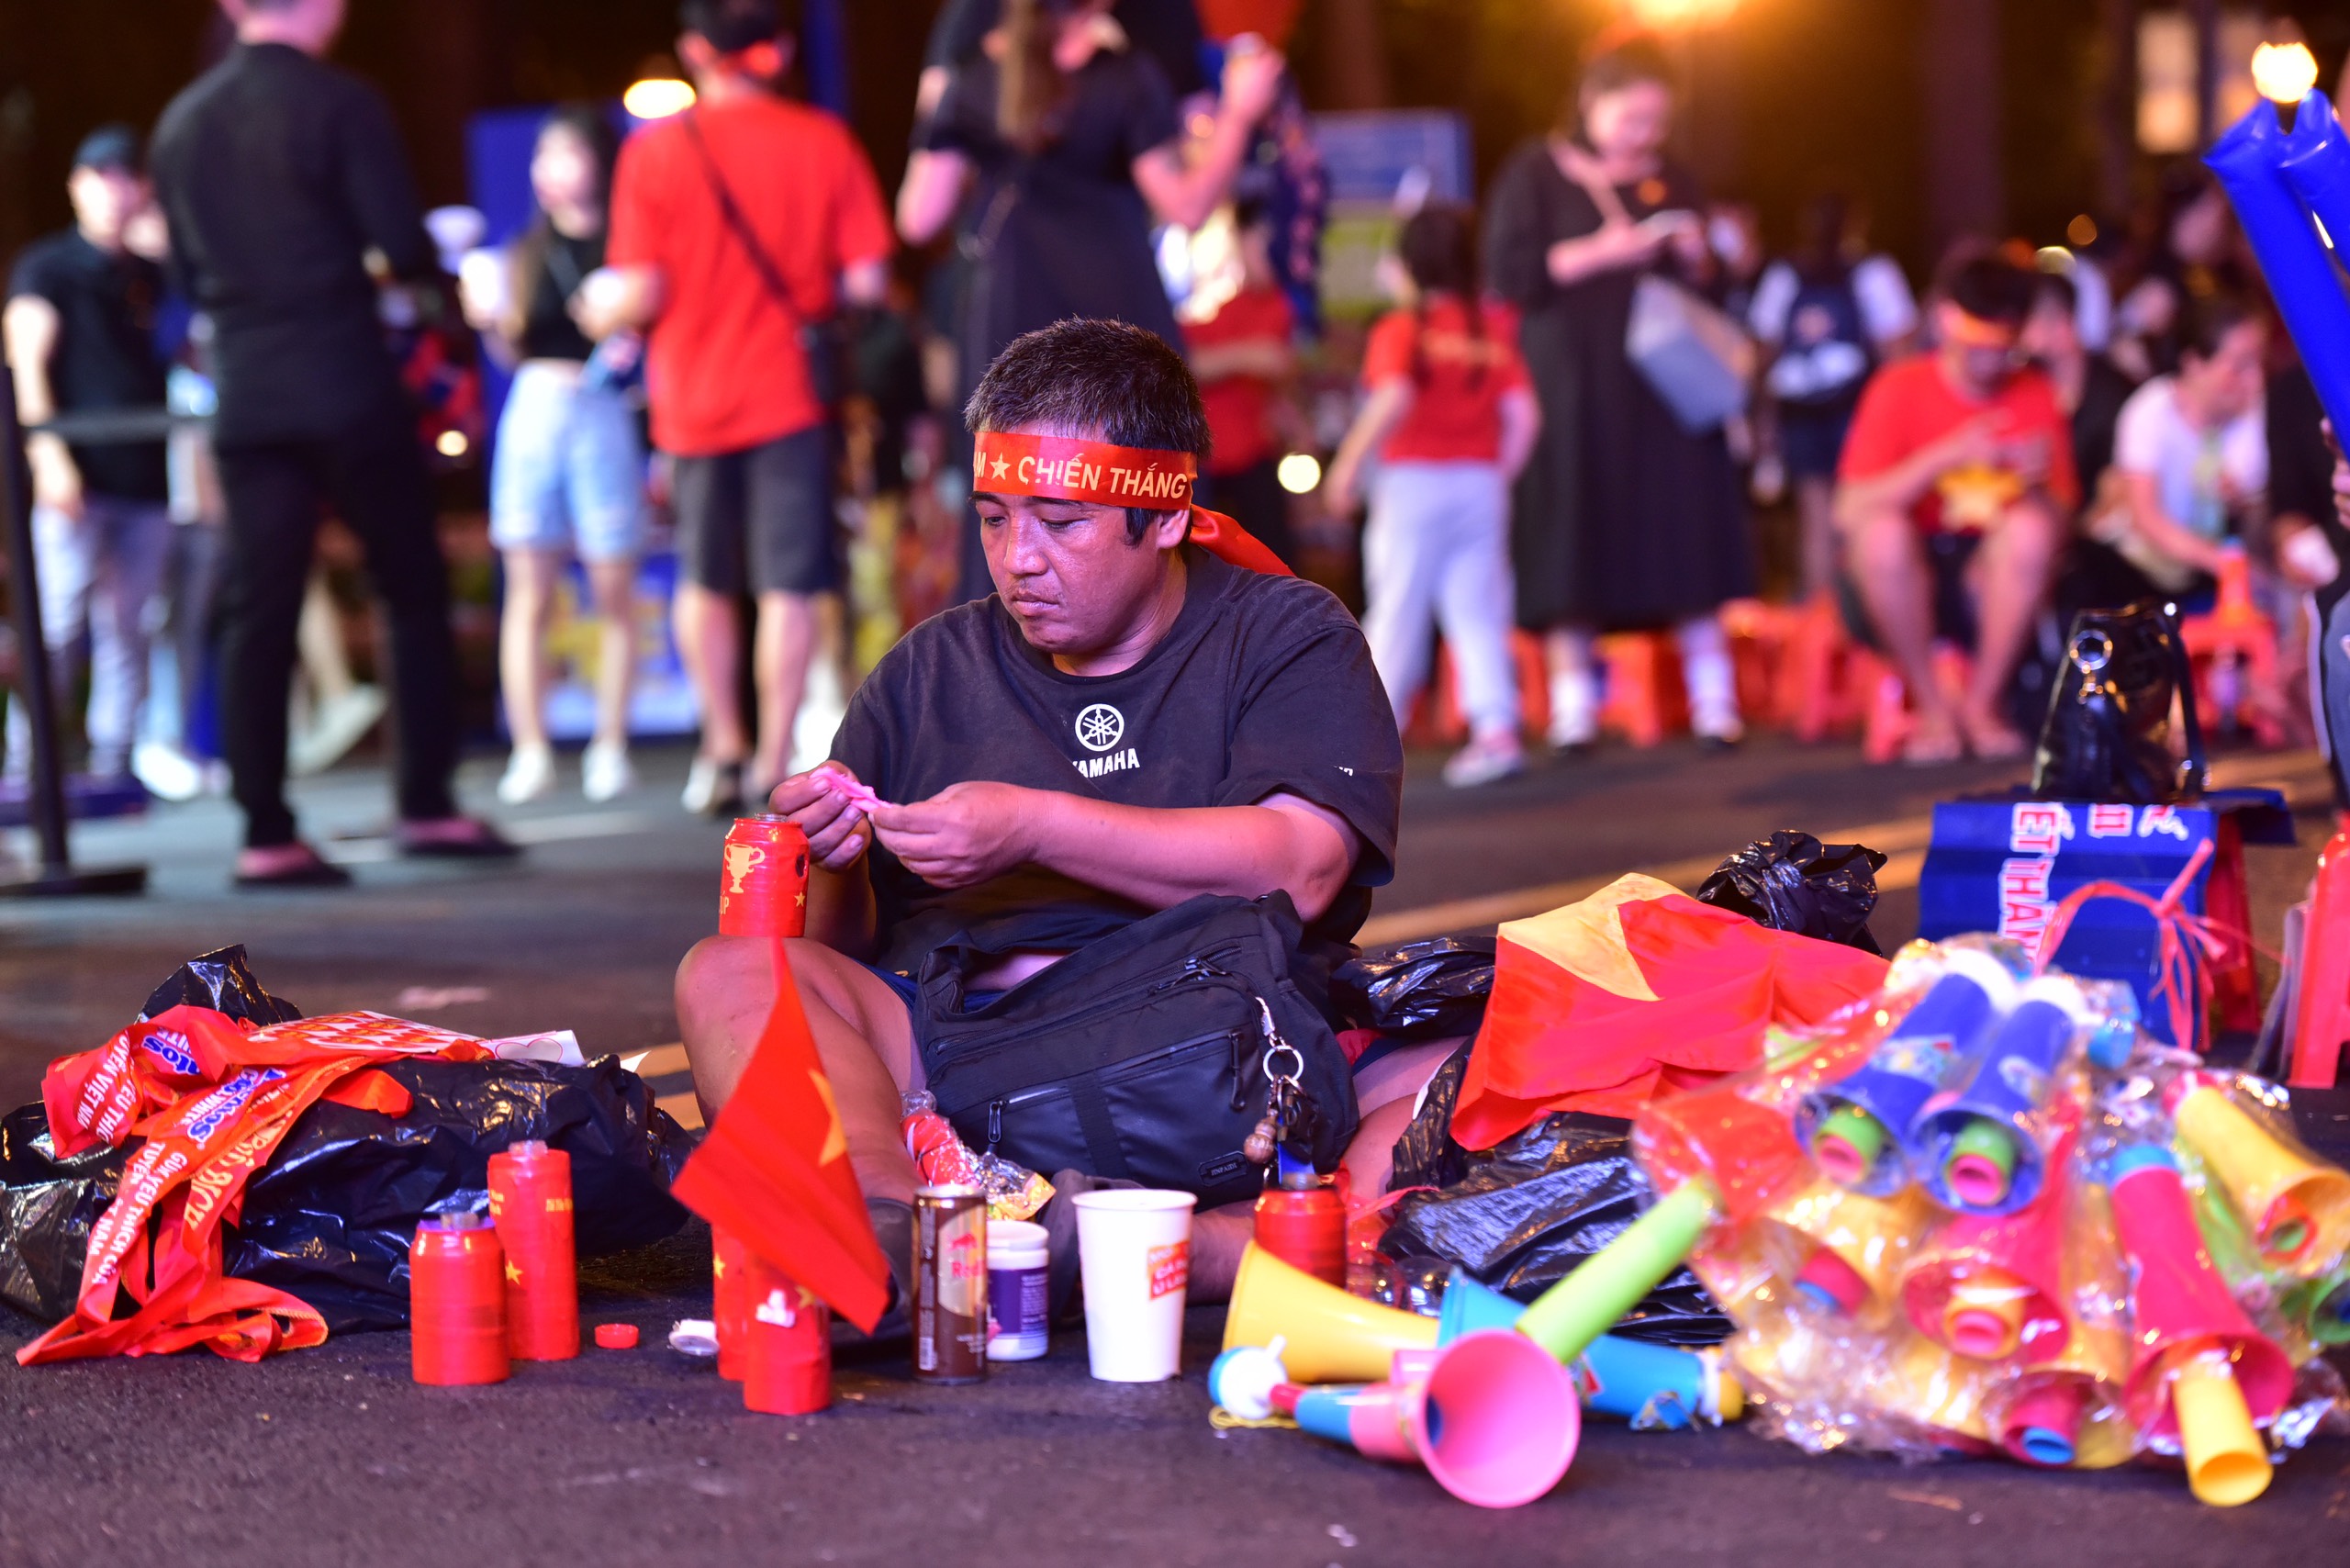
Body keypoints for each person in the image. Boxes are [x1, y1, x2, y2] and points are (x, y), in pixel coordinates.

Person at [675, 319, 1420, 1305]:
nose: (1017, 559)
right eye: (993, 519)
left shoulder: (1284, 631)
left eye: (1060, 523)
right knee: (731, 970)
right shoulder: (930, 671)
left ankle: (1202, 1251)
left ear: (1165, 516)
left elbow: (1303, 865)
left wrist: (1032, 825)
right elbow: (837, 954)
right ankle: (894, 1234)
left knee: (1482, 1045)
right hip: (966, 1053)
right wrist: (837, 860)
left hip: (1226, 1052)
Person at [151, 0, 509, 884]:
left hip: (247, 388)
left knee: (259, 606)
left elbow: (184, 272)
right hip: (344, 376)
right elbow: (400, 242)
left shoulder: (182, 122)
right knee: (409, 585)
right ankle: (425, 804)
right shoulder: (342, 102)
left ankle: (265, 832)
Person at [579, 0, 891, 818]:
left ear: (693, 50)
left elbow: (640, 290)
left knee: (705, 577)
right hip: (791, 396)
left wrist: (600, 311)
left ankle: (720, 748)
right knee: (791, 582)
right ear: (778, 49)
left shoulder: (654, 152)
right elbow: (866, 280)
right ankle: (770, 759)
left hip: (690, 399)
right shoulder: (824, 141)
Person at [895, 0, 1287, 600]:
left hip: (1010, 318)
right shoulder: (1126, 77)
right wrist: (1238, 113)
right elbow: (1186, 205)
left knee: (1015, 497)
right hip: (1118, 317)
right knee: (1138, 490)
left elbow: (919, 216)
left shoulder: (975, 77)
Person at [1484, 34, 1755, 752]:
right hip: (1572, 385)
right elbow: (1509, 274)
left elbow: (1712, 285)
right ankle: (1574, 711)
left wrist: (1700, 255)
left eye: (1656, 122)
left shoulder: (1676, 177)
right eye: (1631, 118)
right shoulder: (1536, 171)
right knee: (1572, 533)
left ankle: (1714, 704)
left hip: (1664, 388)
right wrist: (1607, 251)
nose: (1645, 135)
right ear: (1591, 102)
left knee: (1685, 529)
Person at [460, 106, 646, 807]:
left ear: (600, 160)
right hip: (536, 408)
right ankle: (531, 749)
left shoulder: (628, 244)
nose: (549, 171)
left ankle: (610, 745)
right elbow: (513, 350)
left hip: (603, 410)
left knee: (613, 587)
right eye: (542, 158)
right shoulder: (523, 251)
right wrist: (488, 319)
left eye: (565, 155)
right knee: (527, 587)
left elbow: (638, 343)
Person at [1323, 204, 1540, 787]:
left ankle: (1362, 751)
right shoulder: (1490, 327)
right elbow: (1525, 417)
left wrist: (1347, 466)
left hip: (1411, 486)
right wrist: (1495, 476)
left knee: (1397, 612)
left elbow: (1392, 397)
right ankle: (1497, 733)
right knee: (1479, 614)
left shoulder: (1401, 329)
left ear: (1410, 264)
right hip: (1480, 484)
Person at [1833, 253, 2076, 764]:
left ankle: (1983, 704)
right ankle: (1932, 707)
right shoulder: (1898, 386)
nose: (1989, 358)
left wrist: (2033, 487)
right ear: (1946, 320)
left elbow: (2062, 525)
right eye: (1978, 341)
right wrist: (1943, 457)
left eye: (2002, 346)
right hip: (1901, 582)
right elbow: (1848, 511)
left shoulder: (2034, 391)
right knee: (1880, 534)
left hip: (1989, 582)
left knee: (2031, 529)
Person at [3, 126, 174, 790]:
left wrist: (165, 246)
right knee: (56, 621)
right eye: (101, 179)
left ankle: (115, 760)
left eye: (127, 180)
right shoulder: (49, 267)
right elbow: (25, 359)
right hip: (77, 471)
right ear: (78, 187)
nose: (114, 194)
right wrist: (47, 453)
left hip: (145, 472)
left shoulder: (152, 275)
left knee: (129, 626)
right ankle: (30, 764)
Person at [1748, 192, 1919, 600]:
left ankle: (1819, 613)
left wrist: (1764, 416)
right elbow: (1898, 349)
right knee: (1861, 515)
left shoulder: (1784, 274)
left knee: (1815, 519)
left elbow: (1762, 349)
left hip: (1800, 410)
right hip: (1859, 410)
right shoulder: (1874, 271)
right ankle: (1857, 617)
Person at [2087, 293, 2268, 606]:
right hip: (2134, 571)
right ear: (2194, 364)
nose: (2256, 381)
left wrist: (2245, 506)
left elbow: (2258, 515)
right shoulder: (2149, 410)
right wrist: (2223, 563)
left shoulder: (2256, 417)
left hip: (2210, 577)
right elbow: (2146, 518)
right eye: (2240, 366)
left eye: (2259, 363)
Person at [1186, 196, 1298, 567]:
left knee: (1273, 565)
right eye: (1260, 240)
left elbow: (1275, 372)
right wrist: (1247, 355)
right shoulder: (1194, 299)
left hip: (1252, 456)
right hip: (1196, 462)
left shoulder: (1274, 304)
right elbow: (1179, 362)